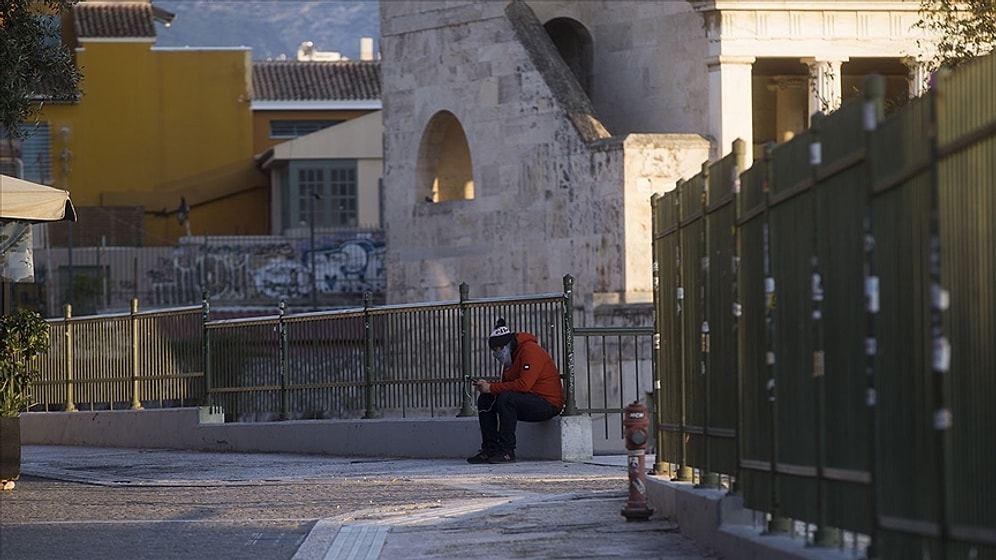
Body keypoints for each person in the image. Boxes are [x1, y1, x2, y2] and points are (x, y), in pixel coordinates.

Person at [467, 318, 564, 464]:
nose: (495, 355)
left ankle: (507, 450)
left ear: (505, 346)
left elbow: (524, 385)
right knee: (486, 400)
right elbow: (509, 385)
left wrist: (492, 387)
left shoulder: (530, 350)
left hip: (548, 403)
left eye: (496, 350)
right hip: (528, 399)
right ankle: (490, 448)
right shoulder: (510, 359)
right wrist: (488, 388)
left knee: (507, 399)